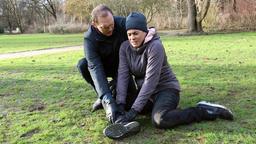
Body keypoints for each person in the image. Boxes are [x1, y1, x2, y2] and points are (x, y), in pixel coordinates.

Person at [103, 12, 234, 139]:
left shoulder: (155, 46)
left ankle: (203, 111)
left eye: (136, 33)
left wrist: (134, 111)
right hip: (147, 94)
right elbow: (123, 77)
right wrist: (120, 104)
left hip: (165, 89)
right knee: (117, 96)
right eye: (129, 34)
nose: (132, 38)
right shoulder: (125, 48)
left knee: (160, 120)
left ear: (145, 31)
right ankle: (126, 124)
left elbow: (150, 82)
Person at [77, 4, 136, 123]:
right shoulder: (89, 38)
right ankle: (102, 96)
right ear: (94, 24)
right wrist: (107, 99)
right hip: (103, 67)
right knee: (83, 65)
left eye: (111, 25)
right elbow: (95, 68)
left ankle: (111, 91)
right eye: (105, 27)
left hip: (123, 67)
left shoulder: (122, 23)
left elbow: (139, 28)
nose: (110, 29)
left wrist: (151, 30)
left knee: (130, 99)